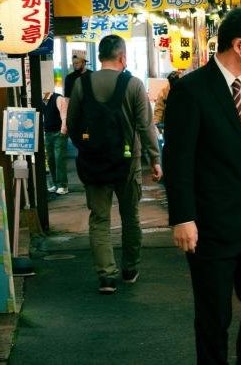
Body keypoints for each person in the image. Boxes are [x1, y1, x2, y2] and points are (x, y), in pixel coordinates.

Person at [163, 7, 241, 365]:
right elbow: (177, 158)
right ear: (240, 45)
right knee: (214, 318)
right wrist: (182, 217)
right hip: (210, 224)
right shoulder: (191, 90)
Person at [67, 35, 162, 295]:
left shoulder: (81, 84)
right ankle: (129, 269)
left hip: (93, 164)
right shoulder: (133, 85)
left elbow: (72, 124)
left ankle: (106, 277)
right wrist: (155, 159)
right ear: (122, 57)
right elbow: (145, 126)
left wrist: (88, 147)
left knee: (99, 219)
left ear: (99, 57)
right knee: (130, 217)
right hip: (127, 165)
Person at [41, 91, 69, 195]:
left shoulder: (58, 98)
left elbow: (64, 114)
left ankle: (63, 185)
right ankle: (55, 184)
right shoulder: (43, 101)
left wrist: (64, 127)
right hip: (48, 133)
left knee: (59, 158)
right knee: (51, 159)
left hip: (59, 132)